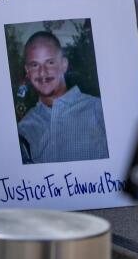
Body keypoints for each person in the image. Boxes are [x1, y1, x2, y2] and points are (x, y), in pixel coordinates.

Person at [17, 31, 109, 164]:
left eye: (50, 63)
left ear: (64, 65)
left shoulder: (99, 110)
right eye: (35, 65)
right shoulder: (24, 128)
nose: (42, 72)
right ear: (27, 71)